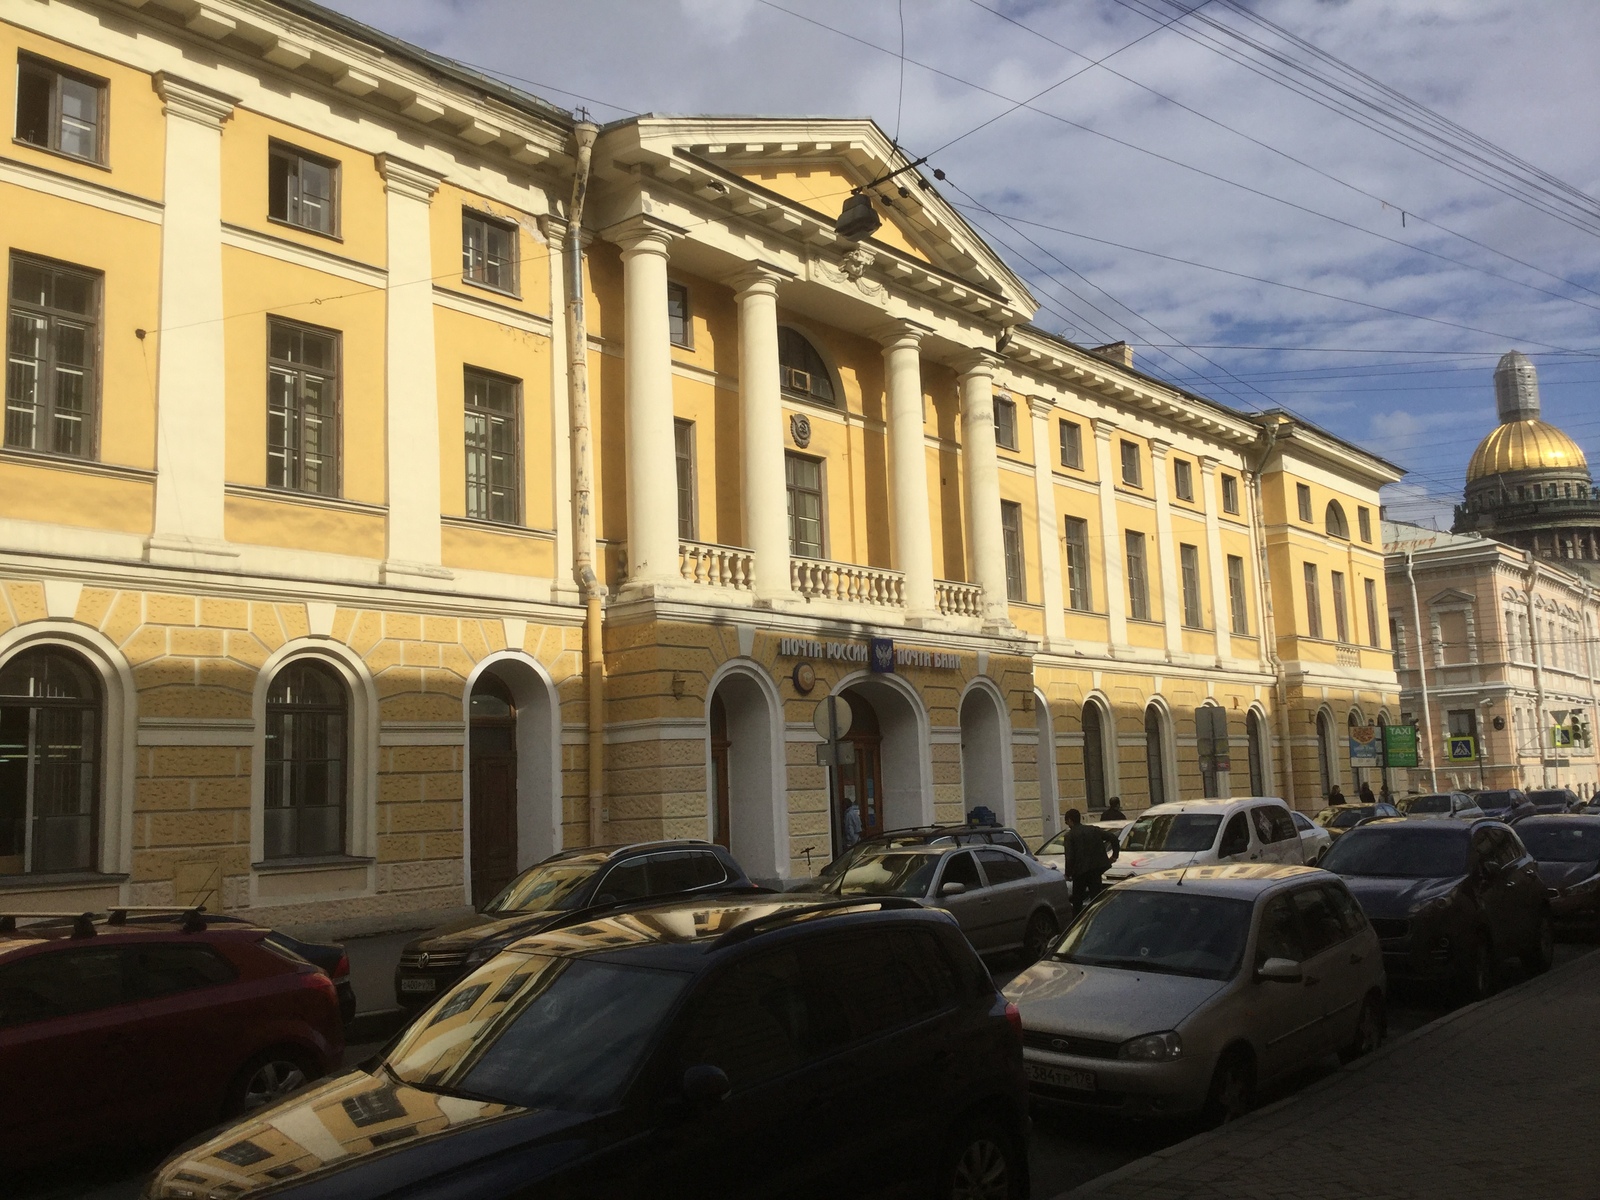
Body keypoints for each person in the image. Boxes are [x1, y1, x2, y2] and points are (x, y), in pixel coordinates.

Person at [1062, 807, 1119, 910]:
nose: (1067, 825)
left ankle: (1078, 922)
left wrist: (1068, 874)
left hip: (1080, 872)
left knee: (1077, 901)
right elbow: (1113, 838)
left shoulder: (1070, 836)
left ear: (1070, 820)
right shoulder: (1093, 830)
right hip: (1096, 869)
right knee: (1096, 899)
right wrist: (1114, 856)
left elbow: (1069, 857)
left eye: (1067, 822)